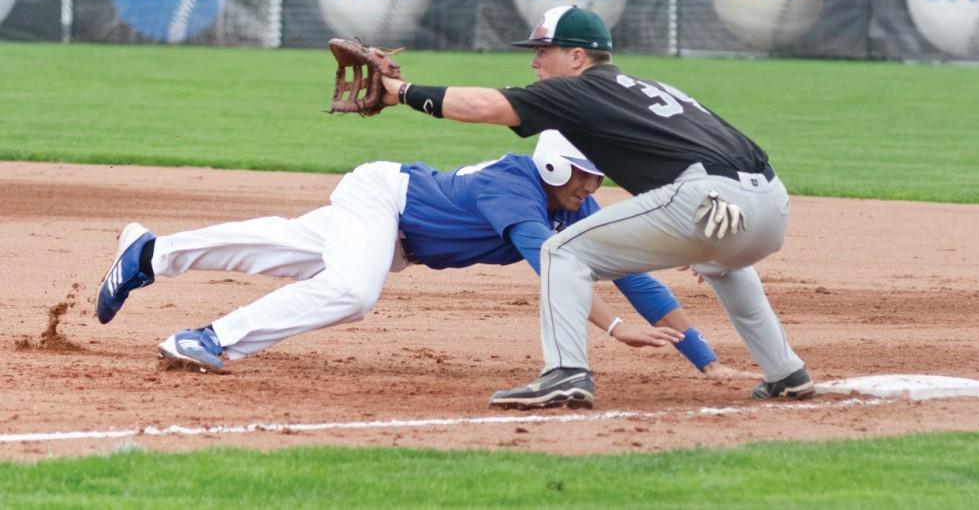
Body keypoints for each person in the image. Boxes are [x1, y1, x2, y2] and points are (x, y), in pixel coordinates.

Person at [379, 4, 814, 409]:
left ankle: (565, 372)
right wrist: (698, 234)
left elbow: (483, 106)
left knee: (560, 251)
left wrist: (400, 91)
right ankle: (785, 372)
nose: (535, 63)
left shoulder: (579, 91)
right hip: (769, 204)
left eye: (544, 51)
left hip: (706, 197)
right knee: (725, 265)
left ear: (578, 57)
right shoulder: (652, 87)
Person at [94, 131, 747, 390]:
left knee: (281, 248)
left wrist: (706, 360)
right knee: (351, 290)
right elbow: (551, 265)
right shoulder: (511, 186)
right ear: (553, 163)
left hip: (396, 232)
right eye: (583, 175)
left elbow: (631, 272)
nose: (590, 187)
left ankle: (151, 253)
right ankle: (209, 340)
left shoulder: (573, 207)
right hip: (386, 200)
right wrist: (609, 328)